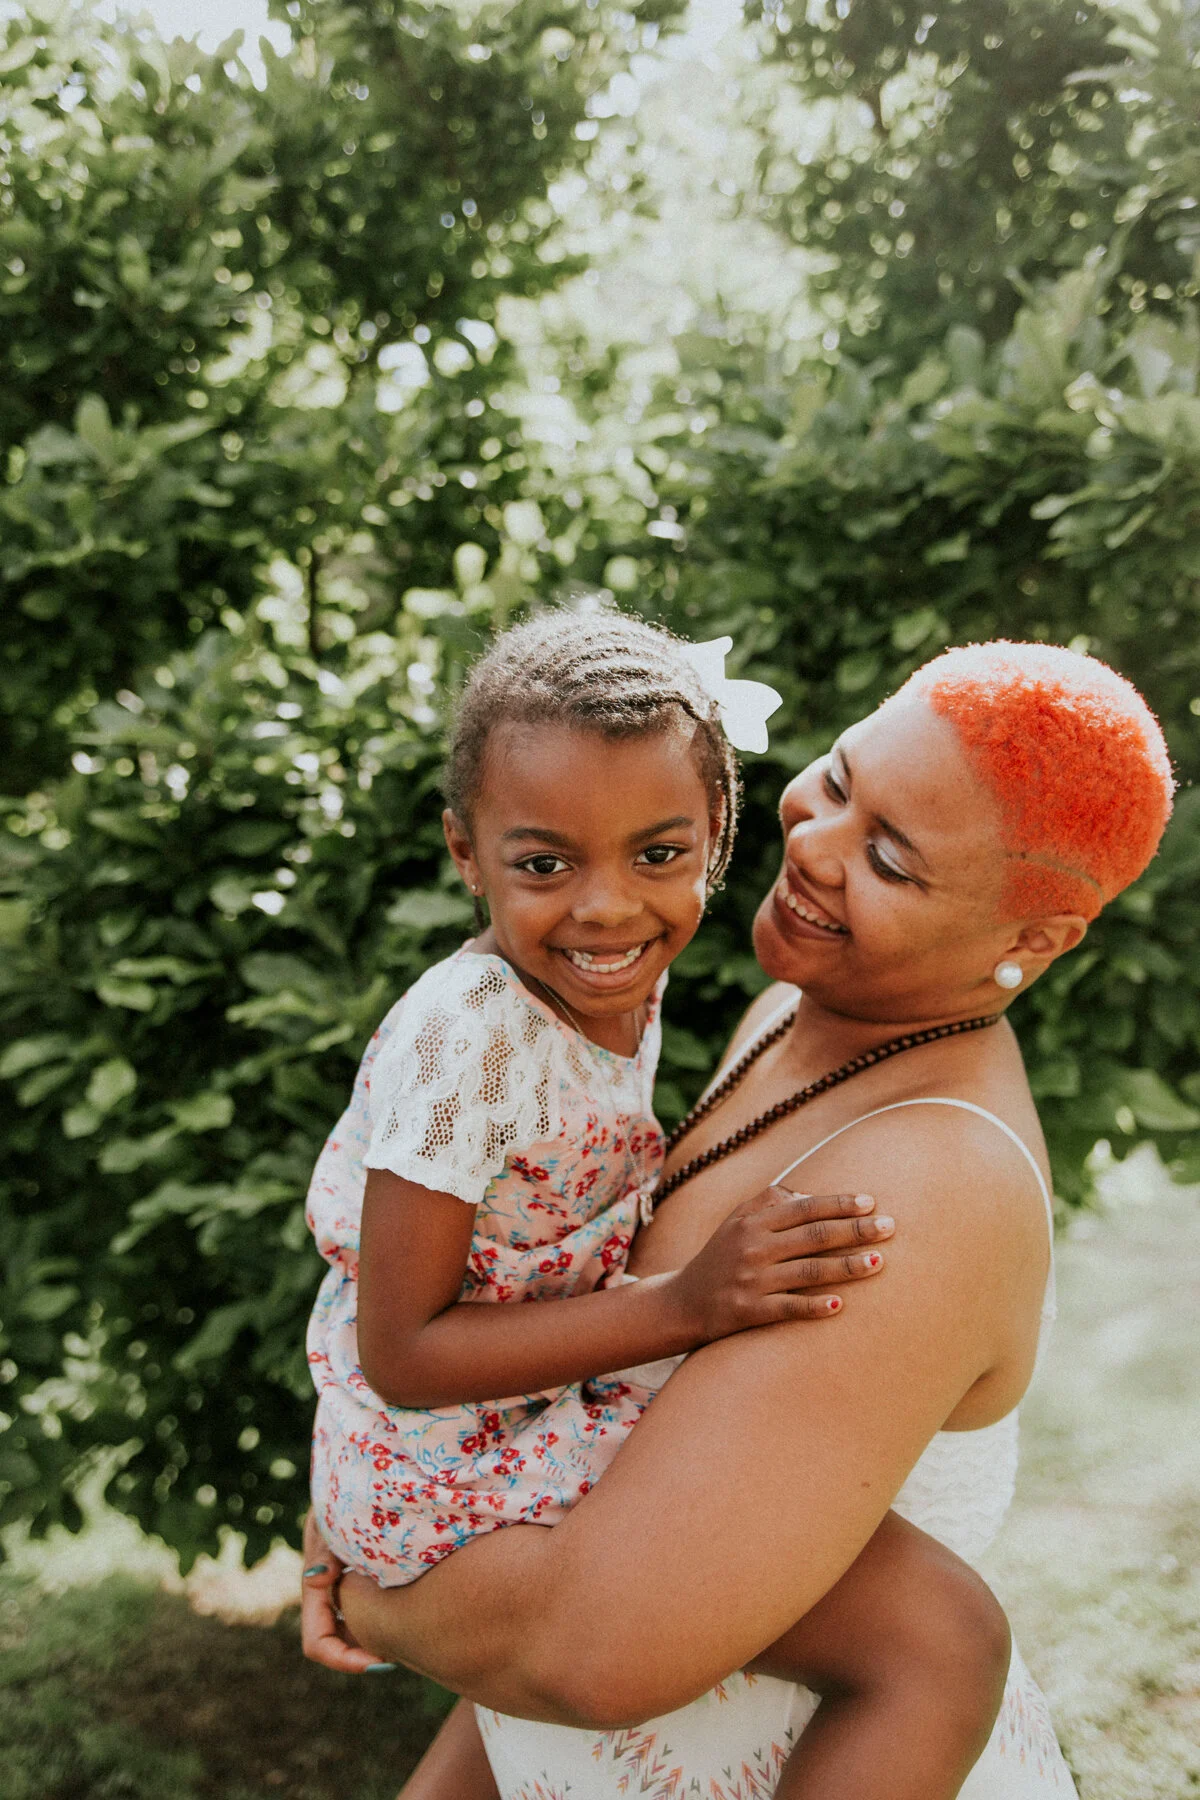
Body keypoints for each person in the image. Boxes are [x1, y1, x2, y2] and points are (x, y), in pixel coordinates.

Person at [304, 635, 1174, 1798]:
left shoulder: (926, 1185)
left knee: (943, 1639)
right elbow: (590, 1474)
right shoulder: (792, 1015)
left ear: (1032, 941)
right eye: (841, 780)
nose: (812, 844)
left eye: (891, 859)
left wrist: (366, 1586)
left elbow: (590, 1644)